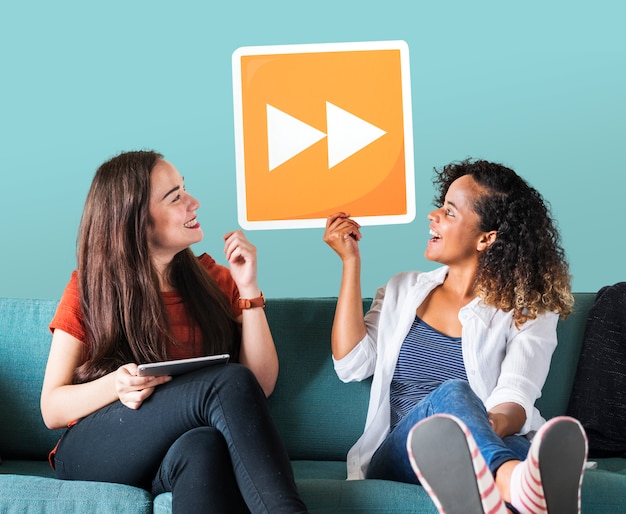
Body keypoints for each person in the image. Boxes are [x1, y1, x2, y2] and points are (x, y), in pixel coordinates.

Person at [40, 150, 308, 514]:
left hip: (174, 453)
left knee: (205, 445)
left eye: (185, 189)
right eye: (175, 197)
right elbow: (52, 409)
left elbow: (258, 386)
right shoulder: (89, 289)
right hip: (100, 448)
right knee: (227, 381)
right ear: (136, 222)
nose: (193, 202)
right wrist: (116, 385)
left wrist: (248, 288)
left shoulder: (217, 281)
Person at [323, 159, 587, 514]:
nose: (433, 216)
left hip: (485, 440)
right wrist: (350, 262)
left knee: (524, 457)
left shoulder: (529, 308)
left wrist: (477, 426)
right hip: (404, 451)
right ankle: (511, 481)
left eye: (449, 212)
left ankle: (511, 490)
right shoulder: (402, 290)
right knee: (453, 395)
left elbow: (516, 394)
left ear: (486, 238)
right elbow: (351, 364)